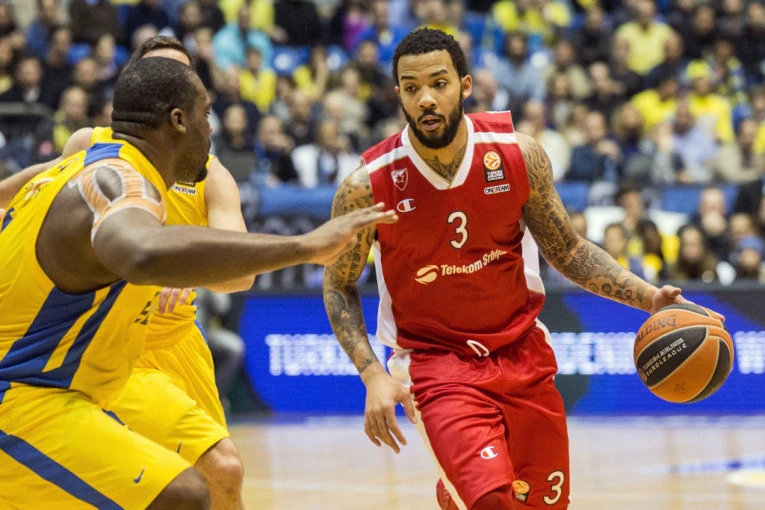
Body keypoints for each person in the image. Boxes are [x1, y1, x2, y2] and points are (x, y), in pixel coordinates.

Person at [322, 29, 721, 510]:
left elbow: (567, 249)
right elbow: (338, 284)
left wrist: (649, 297)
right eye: (411, 88)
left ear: (465, 85)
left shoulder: (517, 154)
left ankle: (455, 492)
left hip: (521, 352)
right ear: (398, 95)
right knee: (493, 502)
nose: (425, 98)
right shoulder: (367, 186)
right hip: (436, 365)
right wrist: (371, 374)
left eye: (439, 83)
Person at [0, 57, 396, 508]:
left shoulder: (78, 167)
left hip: (80, 382)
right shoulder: (116, 180)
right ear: (178, 120)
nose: (211, 129)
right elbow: (143, 253)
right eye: (206, 114)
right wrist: (304, 246)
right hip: (25, 397)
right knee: (183, 494)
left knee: (209, 475)